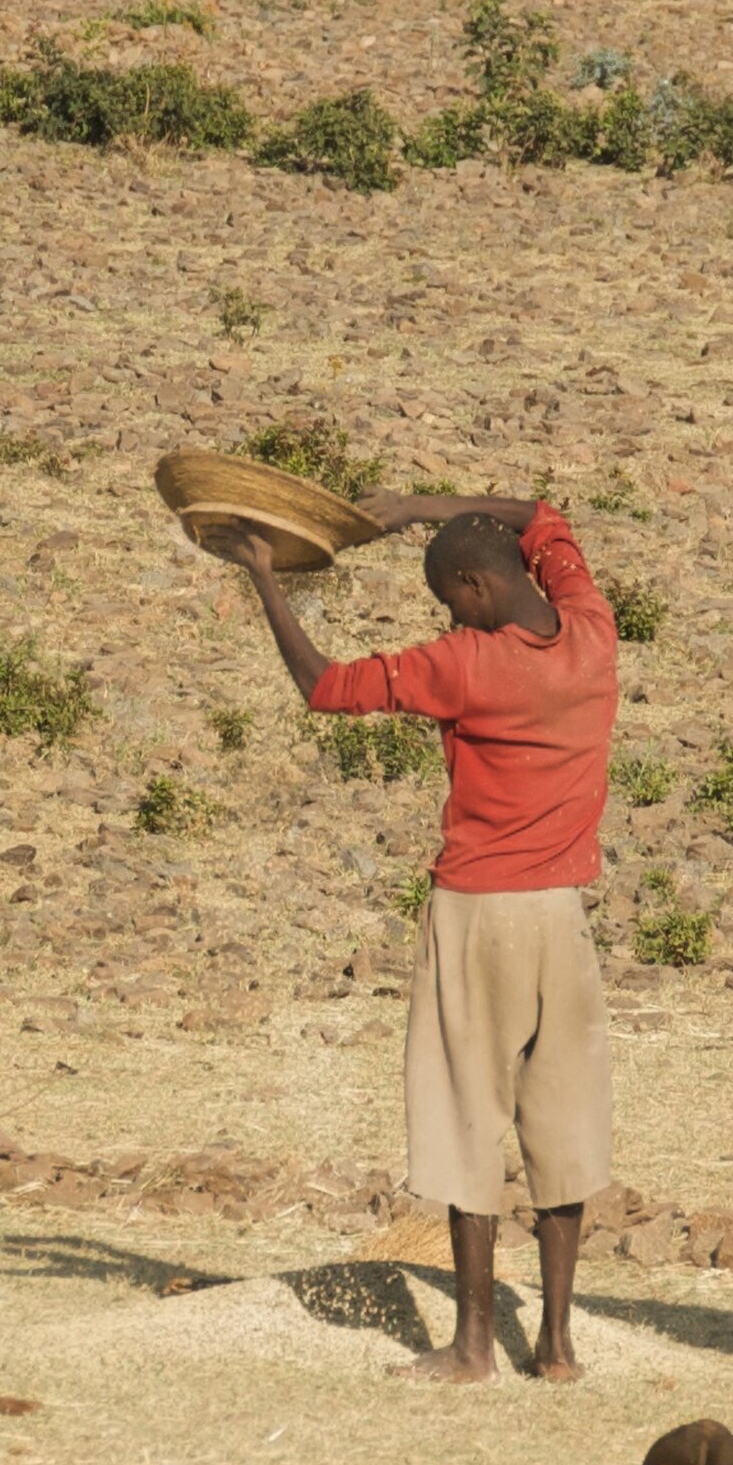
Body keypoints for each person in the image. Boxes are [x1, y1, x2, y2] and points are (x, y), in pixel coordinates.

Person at [205, 486, 619, 1384]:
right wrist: (418, 507)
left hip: (479, 914)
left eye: (449, 600)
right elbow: (543, 515)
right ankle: (555, 1346)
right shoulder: (592, 628)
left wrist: (266, 576)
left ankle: (471, 1347)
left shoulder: (466, 664)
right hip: (563, 915)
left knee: (468, 1122)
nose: (450, 617)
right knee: (563, 1130)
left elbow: (324, 686)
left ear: (475, 586)